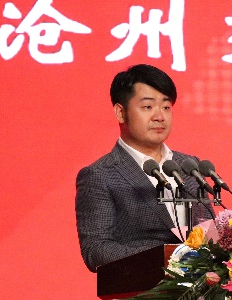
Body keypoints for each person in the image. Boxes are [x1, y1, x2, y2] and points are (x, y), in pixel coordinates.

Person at [75, 63, 212, 273]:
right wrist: (171, 257)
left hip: (198, 291)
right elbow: (96, 251)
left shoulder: (188, 166)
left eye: (166, 107)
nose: (160, 116)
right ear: (120, 113)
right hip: (140, 291)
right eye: (148, 107)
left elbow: (207, 229)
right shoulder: (100, 175)